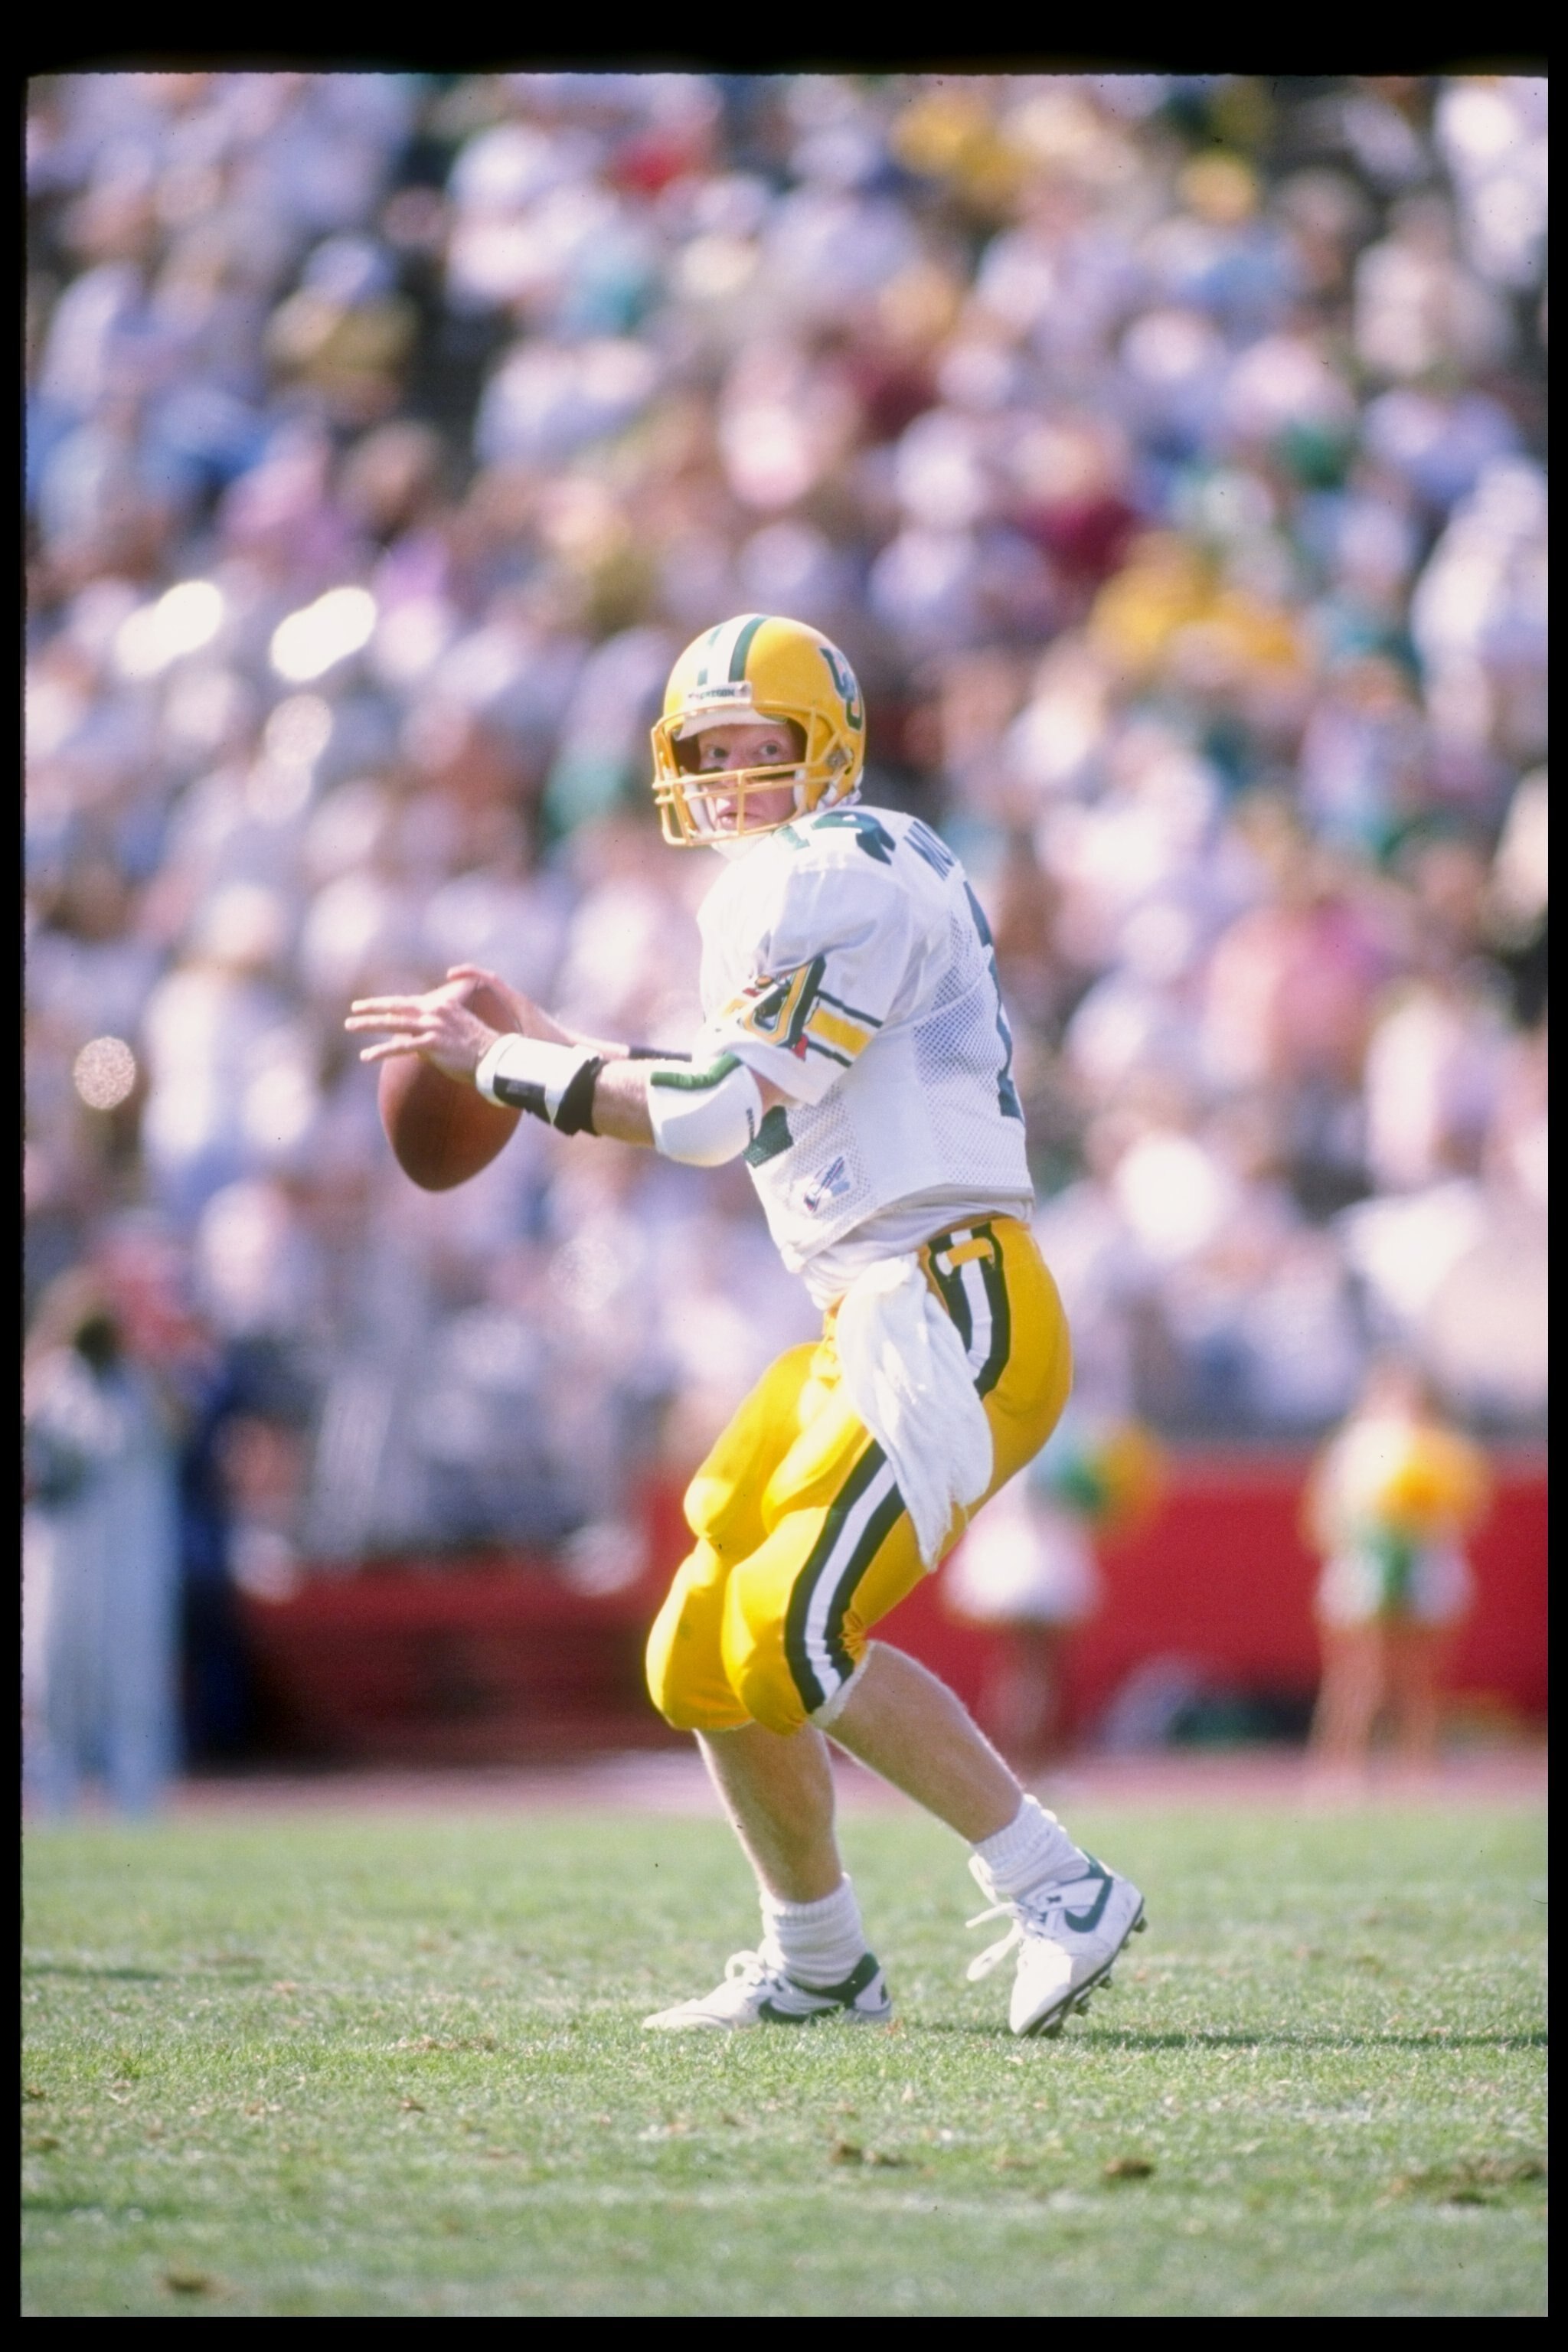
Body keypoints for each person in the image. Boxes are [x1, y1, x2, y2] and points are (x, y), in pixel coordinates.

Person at [348, 613, 1145, 2038]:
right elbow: (729, 1080)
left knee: (791, 1634)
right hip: (868, 1308)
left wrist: (515, 1063)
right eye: (707, 754)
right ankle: (821, 1959)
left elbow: (717, 1119)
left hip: (949, 1297)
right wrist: (552, 1045)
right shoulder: (812, 877)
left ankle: (1056, 1883)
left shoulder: (825, 873)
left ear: (822, 751)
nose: (730, 779)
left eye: (758, 750)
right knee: (702, 1648)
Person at [23, 1269, 182, 1815]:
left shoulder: (140, 1382)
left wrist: (148, 1350)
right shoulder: (50, 1383)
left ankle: (138, 1807)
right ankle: (55, 1806)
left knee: (134, 1690)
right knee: (55, 1686)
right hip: (61, 1560)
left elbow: (180, 1423)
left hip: (132, 1559)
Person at [1305, 1359, 1490, 1769]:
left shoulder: (1445, 1447)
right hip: (1367, 1566)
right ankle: (1340, 1767)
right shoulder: (1354, 1447)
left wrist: (1420, 1518)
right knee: (1358, 1675)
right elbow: (1325, 1515)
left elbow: (1468, 1510)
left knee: (1421, 1678)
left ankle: (1417, 1768)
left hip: (1426, 1567)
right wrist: (1376, 1538)